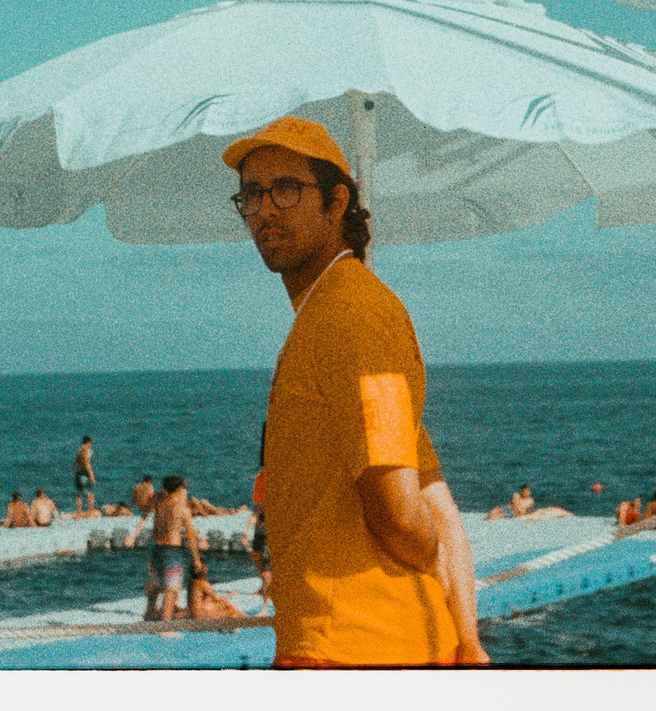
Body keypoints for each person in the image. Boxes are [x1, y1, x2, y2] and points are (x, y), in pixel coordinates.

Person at [227, 115, 486, 666]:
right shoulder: (330, 312)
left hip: (360, 650)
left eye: (287, 189)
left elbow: (398, 509)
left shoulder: (354, 314)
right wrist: (471, 641)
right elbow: (433, 492)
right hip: (361, 647)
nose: (265, 208)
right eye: (251, 194)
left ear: (336, 200)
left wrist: (433, 557)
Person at [149, 475, 204, 621]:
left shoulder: (159, 503)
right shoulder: (182, 509)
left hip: (157, 549)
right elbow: (190, 536)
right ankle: (165, 625)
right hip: (172, 550)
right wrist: (197, 559)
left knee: (154, 587)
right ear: (179, 489)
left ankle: (149, 616)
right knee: (172, 589)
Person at [74, 436, 96, 511]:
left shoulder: (79, 451)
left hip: (78, 474)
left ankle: (78, 510)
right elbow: (86, 463)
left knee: (79, 494)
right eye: (90, 443)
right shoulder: (86, 451)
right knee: (90, 494)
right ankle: (90, 510)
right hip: (84, 474)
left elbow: (75, 464)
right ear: (88, 442)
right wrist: (91, 475)